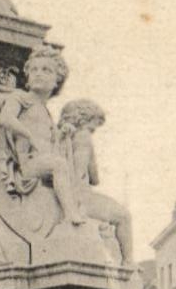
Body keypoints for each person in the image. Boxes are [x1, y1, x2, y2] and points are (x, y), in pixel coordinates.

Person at [0, 45, 86, 226]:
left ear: (57, 80)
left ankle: (71, 210)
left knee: (66, 169)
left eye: (46, 70)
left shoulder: (45, 112)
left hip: (43, 163)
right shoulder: (20, 97)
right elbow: (5, 118)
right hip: (28, 166)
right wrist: (28, 135)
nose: (39, 73)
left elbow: (48, 143)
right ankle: (70, 214)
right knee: (59, 164)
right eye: (34, 69)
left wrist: (62, 134)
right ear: (28, 77)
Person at [57, 99, 134, 264]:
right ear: (85, 120)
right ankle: (129, 263)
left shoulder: (60, 138)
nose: (94, 131)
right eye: (94, 126)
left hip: (66, 195)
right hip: (82, 197)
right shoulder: (84, 137)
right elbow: (92, 177)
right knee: (124, 217)